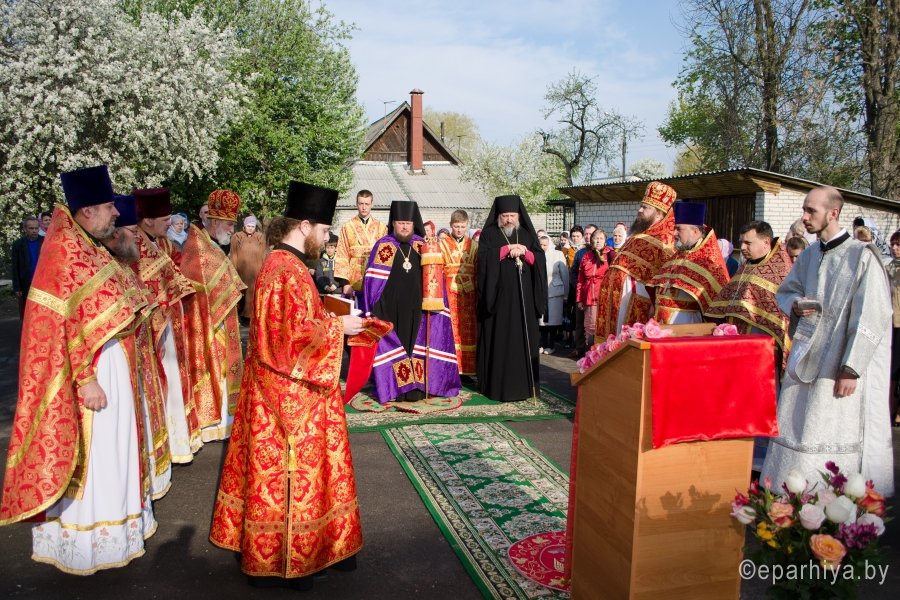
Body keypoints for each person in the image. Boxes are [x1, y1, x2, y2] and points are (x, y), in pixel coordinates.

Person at [0, 165, 155, 573]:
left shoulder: (89, 244)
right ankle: (90, 540)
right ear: (87, 210)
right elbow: (58, 325)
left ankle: (119, 528)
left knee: (117, 449)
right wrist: (86, 380)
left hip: (114, 363)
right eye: (108, 206)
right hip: (96, 374)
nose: (116, 213)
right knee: (99, 455)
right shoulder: (64, 250)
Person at [210, 181, 364, 589]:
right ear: (305, 225)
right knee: (290, 480)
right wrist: (339, 327)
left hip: (283, 391)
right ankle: (291, 561)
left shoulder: (286, 265)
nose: (327, 239)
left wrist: (328, 315)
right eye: (325, 230)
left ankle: (305, 552)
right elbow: (286, 339)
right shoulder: (285, 270)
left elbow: (293, 322)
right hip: (288, 400)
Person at [762, 186, 894, 496]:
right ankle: (790, 502)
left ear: (833, 213)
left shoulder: (861, 256)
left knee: (827, 429)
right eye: (804, 209)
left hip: (838, 363)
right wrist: (796, 304)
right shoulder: (809, 254)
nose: (805, 216)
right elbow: (787, 291)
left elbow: (872, 314)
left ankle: (831, 503)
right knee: (796, 428)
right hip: (804, 356)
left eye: (812, 210)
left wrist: (851, 368)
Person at [704, 220, 793, 471]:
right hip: (739, 351)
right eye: (741, 242)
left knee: (760, 405)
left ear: (766, 242)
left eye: (747, 243)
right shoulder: (747, 267)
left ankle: (761, 462)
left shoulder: (780, 270)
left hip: (762, 356)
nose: (742, 247)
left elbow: (782, 318)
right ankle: (738, 454)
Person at [359, 200, 461, 402]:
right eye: (400, 223)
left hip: (418, 310)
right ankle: (396, 390)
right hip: (389, 309)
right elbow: (372, 282)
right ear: (393, 223)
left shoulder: (422, 246)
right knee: (395, 347)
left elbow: (435, 279)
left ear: (413, 224)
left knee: (417, 348)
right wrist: (375, 309)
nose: (404, 227)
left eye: (408, 223)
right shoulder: (383, 246)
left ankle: (416, 389)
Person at [108, 193, 173, 499]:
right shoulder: (109, 265)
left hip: (140, 351)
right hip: (117, 359)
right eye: (133, 232)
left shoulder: (125, 262)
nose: (138, 239)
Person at [133, 187, 200, 463]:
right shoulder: (135, 246)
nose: (170, 224)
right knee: (162, 384)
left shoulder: (163, 244)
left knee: (175, 380)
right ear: (147, 220)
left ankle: (178, 441)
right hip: (153, 329)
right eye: (164, 220)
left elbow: (177, 273)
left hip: (171, 324)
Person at [180, 189, 246, 442]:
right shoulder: (197, 246)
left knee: (225, 369)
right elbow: (201, 287)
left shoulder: (211, 244)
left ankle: (226, 420)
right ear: (215, 221)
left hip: (222, 319)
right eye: (229, 224)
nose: (232, 229)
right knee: (214, 367)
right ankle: (213, 424)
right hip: (210, 322)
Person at [476, 195, 547, 402]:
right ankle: (497, 386)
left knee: (524, 341)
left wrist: (525, 252)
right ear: (499, 216)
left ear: (518, 216)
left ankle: (525, 387)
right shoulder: (489, 234)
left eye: (512, 215)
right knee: (501, 341)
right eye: (505, 215)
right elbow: (482, 260)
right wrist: (505, 250)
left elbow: (539, 260)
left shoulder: (526, 234)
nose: (508, 219)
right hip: (499, 301)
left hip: (524, 300)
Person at [594, 182, 677, 338]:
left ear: (659, 213)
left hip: (633, 305)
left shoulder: (665, 244)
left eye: (645, 208)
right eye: (641, 206)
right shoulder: (638, 236)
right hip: (615, 304)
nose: (639, 210)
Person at [648, 202, 730, 324]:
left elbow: (717, 309)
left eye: (679, 229)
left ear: (695, 231)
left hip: (688, 327)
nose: (674, 233)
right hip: (661, 324)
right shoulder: (677, 256)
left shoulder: (709, 262)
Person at [440, 209, 479, 377]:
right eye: (456, 226)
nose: (459, 230)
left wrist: (475, 285)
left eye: (462, 226)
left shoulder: (474, 245)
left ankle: (468, 370)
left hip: (469, 296)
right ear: (451, 225)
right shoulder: (442, 245)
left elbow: (478, 271)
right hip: (449, 295)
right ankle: (451, 369)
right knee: (450, 330)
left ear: (467, 226)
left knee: (468, 332)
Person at [335, 189, 387, 299]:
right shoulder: (347, 226)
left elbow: (385, 257)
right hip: (352, 279)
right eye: (361, 204)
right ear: (356, 204)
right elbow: (342, 254)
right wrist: (345, 283)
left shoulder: (381, 227)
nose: (364, 207)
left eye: (367, 204)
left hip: (374, 277)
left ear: (372, 204)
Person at [577, 228, 614, 349]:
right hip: (588, 296)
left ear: (605, 241)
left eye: (601, 238)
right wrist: (579, 299)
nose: (598, 241)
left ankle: (602, 352)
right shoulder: (586, 256)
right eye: (596, 238)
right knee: (589, 326)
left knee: (602, 326)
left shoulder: (610, 255)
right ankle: (591, 353)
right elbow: (581, 280)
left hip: (604, 296)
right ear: (591, 240)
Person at [230, 214, 268, 324]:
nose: (250, 228)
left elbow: (264, 254)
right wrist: (233, 271)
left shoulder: (260, 237)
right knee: (243, 292)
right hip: (241, 271)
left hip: (256, 271)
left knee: (254, 293)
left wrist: (265, 270)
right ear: (244, 225)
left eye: (252, 226)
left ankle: (253, 316)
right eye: (248, 226)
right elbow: (234, 255)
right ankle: (242, 316)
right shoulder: (237, 237)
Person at [569, 223, 596, 358]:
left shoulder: (604, 253)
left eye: (590, 234)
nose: (587, 236)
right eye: (586, 234)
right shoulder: (580, 253)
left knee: (593, 323)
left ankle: (594, 349)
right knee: (580, 322)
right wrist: (578, 287)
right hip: (581, 293)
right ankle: (579, 348)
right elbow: (573, 272)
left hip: (596, 295)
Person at [539, 234, 568, 354]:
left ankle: (551, 345)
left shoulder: (558, 254)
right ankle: (542, 344)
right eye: (540, 245)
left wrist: (566, 294)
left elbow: (565, 275)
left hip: (555, 292)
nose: (542, 247)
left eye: (545, 245)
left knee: (553, 321)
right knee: (541, 321)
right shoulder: (537, 254)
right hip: (541, 292)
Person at [10, 216, 43, 320]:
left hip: (42, 282)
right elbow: (15, 267)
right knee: (27, 310)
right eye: (31, 228)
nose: (34, 231)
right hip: (26, 283)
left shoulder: (45, 241)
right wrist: (17, 287)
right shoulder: (18, 244)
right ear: (25, 229)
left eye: (36, 228)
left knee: (42, 310)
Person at [888, 230, 900, 428]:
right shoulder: (887, 267)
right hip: (890, 325)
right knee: (891, 370)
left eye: (899, 244)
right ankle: (889, 408)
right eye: (893, 244)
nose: (895, 248)